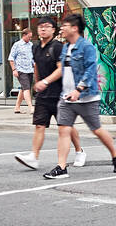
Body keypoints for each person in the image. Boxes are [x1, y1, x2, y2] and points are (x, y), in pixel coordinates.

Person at [41, 12, 116, 177]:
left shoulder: (86, 47)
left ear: (74, 28)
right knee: (63, 130)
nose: (62, 29)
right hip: (67, 98)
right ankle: (61, 167)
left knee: (97, 130)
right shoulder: (66, 47)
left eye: (65, 26)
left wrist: (78, 90)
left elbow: (90, 71)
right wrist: (45, 82)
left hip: (86, 97)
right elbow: (63, 70)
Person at [14, 17, 86, 173]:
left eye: (47, 26)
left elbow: (61, 69)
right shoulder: (35, 47)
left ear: (54, 30)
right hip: (43, 95)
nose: (43, 29)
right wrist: (37, 83)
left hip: (60, 94)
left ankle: (79, 151)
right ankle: (34, 157)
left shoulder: (58, 47)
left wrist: (45, 82)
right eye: (40, 26)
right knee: (39, 125)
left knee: (66, 127)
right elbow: (36, 66)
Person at [8, 28, 34, 114]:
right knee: (26, 88)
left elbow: (32, 57)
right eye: (29, 37)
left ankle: (17, 107)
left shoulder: (31, 45)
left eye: (31, 37)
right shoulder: (17, 45)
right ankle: (31, 107)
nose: (30, 39)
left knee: (23, 88)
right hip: (21, 70)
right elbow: (11, 58)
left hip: (30, 69)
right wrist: (14, 69)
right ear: (24, 35)